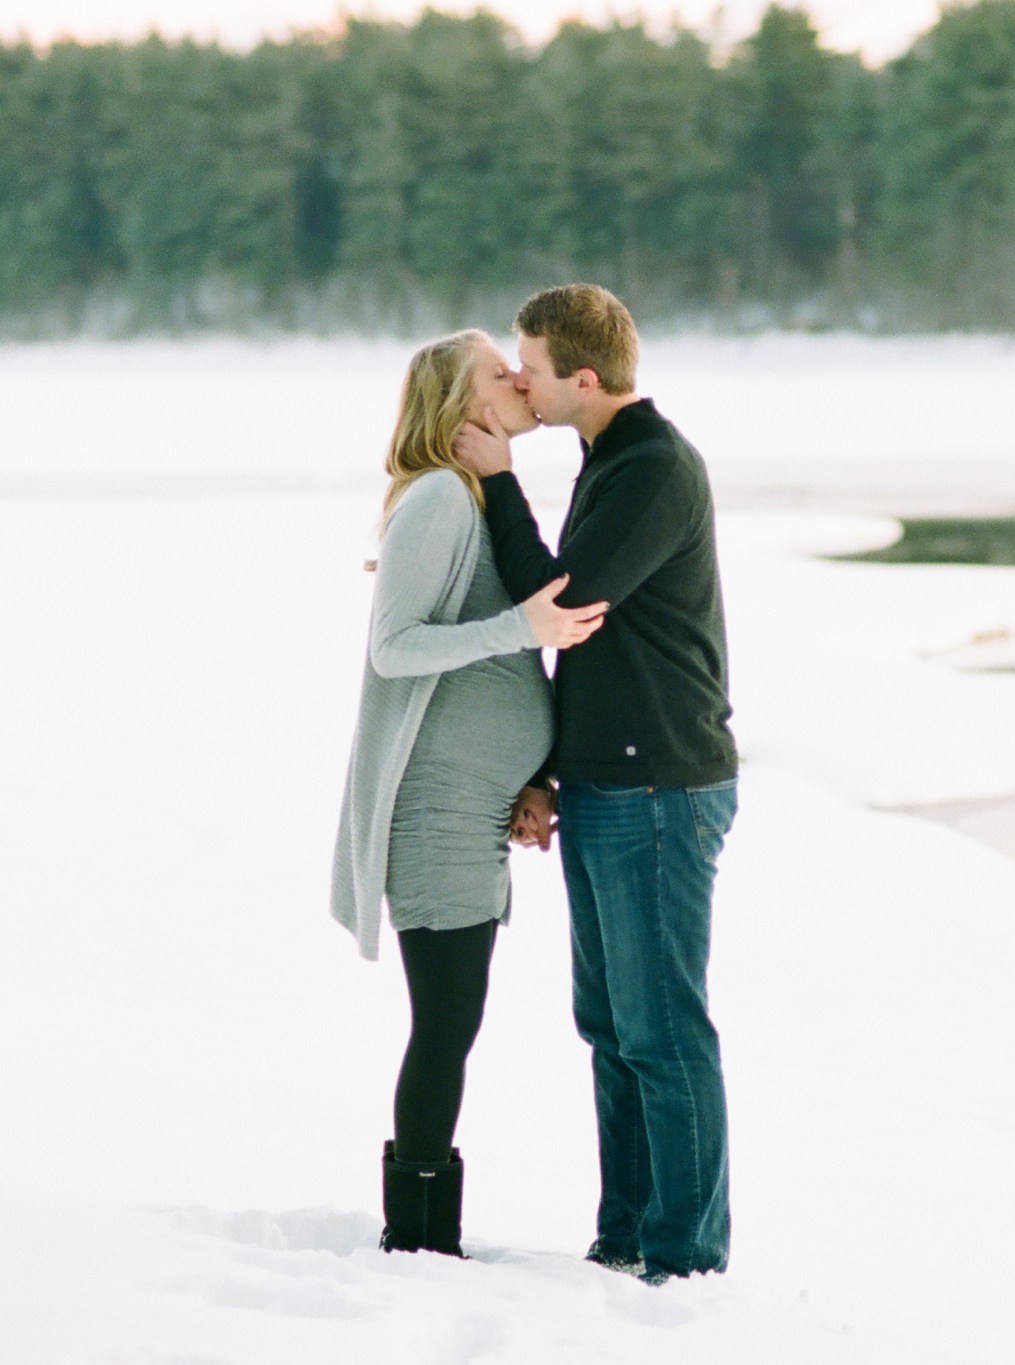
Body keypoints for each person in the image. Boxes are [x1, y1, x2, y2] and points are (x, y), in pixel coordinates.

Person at [453, 283, 739, 1286]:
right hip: (614, 782)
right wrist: (545, 771)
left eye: (530, 364)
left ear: (583, 377)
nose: (520, 380)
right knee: (613, 1028)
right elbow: (590, 647)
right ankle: (623, 1243)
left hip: (660, 784)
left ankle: (683, 1259)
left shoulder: (652, 467)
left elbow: (563, 607)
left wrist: (494, 481)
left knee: (661, 1030)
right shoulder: (611, 460)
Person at [332, 329, 609, 1257]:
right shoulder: (440, 502)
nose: (521, 379)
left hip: (478, 807)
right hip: (436, 810)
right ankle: (416, 1239)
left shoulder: (474, 495)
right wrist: (520, 625)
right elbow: (395, 648)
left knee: (454, 1020)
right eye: (501, 372)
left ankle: (420, 1233)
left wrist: (530, 773)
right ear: (464, 406)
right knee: (446, 1022)